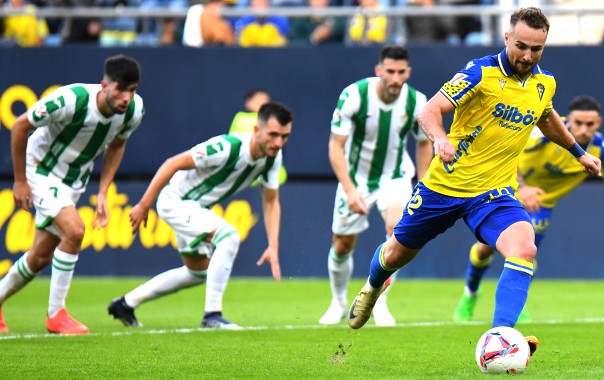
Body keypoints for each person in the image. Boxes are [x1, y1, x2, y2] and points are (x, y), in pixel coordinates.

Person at [346, 7, 601, 348]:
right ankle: (373, 285)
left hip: (494, 192)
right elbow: (429, 110)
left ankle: (501, 336)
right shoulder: (479, 72)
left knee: (524, 246)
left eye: (536, 49)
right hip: (445, 186)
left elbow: (546, 116)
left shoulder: (544, 83)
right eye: (521, 46)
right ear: (507, 37)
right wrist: (440, 138)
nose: (527, 56)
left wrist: (579, 152)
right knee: (396, 254)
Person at [452, 95, 604, 323]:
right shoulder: (543, 131)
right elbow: (500, 150)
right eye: (578, 123)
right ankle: (470, 295)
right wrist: (522, 187)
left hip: (541, 205)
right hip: (506, 190)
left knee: (526, 254)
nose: (583, 129)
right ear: (568, 120)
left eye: (590, 124)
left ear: (599, 123)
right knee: (485, 249)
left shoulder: (600, 150)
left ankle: (516, 303)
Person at [108, 102, 293, 330]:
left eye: (284, 136)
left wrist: (273, 245)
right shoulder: (227, 147)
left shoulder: (273, 157)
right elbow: (173, 163)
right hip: (176, 201)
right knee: (229, 236)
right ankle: (212, 315)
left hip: (197, 208)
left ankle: (126, 303)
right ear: (256, 130)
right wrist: (143, 204)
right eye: (273, 134)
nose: (278, 142)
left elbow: (271, 200)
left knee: (197, 272)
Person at [0, 55, 144, 334]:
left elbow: (117, 145)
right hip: (39, 169)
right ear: (104, 85)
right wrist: (19, 180)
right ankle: (57, 314)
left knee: (40, 256)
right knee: (75, 231)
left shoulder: (134, 111)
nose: (126, 97)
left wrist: (103, 191)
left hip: (73, 181)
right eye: (120, 89)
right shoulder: (72, 99)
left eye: (132, 90)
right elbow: (20, 125)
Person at [318, 45, 432, 326]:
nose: (395, 78)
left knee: (397, 233)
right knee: (343, 244)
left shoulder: (417, 101)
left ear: (408, 72)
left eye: (400, 72)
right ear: (378, 70)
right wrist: (349, 189)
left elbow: (423, 141)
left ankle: (378, 301)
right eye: (389, 71)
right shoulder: (354, 95)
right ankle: (338, 300)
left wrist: (423, 182)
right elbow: (335, 146)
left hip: (395, 177)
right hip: (355, 178)